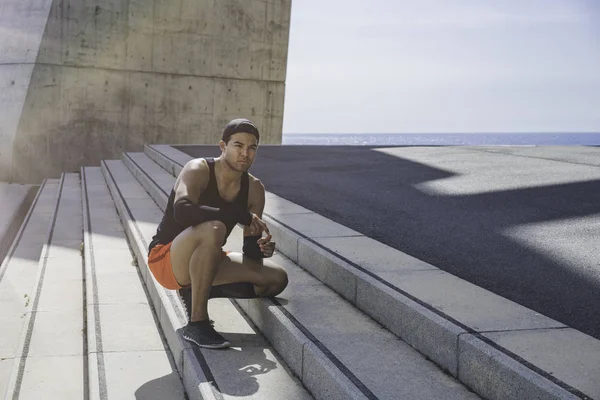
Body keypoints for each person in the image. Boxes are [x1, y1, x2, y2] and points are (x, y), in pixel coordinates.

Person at [147, 118, 288, 349]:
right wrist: (238, 215)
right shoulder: (198, 169)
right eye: (238, 145)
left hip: (206, 257)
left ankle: (197, 290)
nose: (245, 153)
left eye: (252, 147)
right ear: (223, 146)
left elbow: (250, 250)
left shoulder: (254, 189)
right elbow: (182, 211)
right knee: (215, 227)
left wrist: (260, 249)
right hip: (167, 258)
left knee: (276, 279)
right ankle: (197, 323)